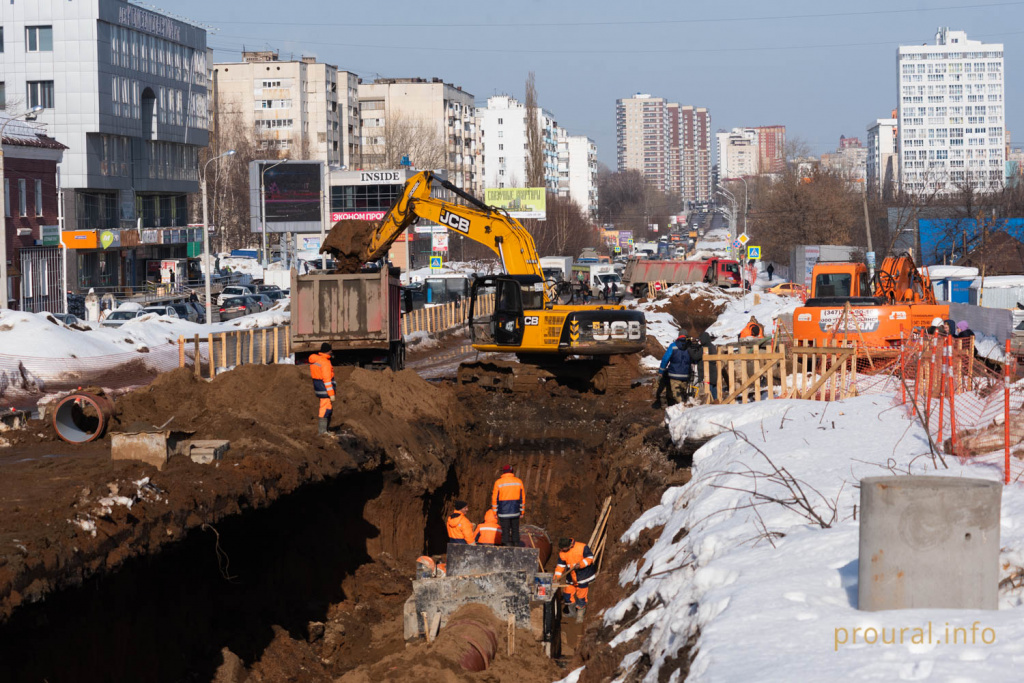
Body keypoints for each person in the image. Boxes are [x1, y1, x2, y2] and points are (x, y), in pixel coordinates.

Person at [554, 537, 596, 620]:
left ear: (569, 545)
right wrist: (556, 577)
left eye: (564, 548)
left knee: (581, 596)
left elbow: (590, 558)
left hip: (583, 576)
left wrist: (581, 564)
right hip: (571, 577)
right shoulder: (562, 553)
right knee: (567, 594)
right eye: (561, 549)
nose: (562, 550)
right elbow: (560, 566)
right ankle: (572, 613)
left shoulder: (582, 547)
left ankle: (580, 615)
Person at [654, 331, 693, 408]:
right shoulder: (690, 346)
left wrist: (661, 371)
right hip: (686, 375)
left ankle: (683, 408)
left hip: (674, 374)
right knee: (683, 393)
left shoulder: (673, 345)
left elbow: (665, 359)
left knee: (676, 393)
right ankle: (682, 405)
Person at [491, 465, 525, 547]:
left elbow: (495, 498)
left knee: (505, 529)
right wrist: (522, 511)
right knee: (515, 529)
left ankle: (506, 544)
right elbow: (522, 498)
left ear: (503, 472)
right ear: (512, 471)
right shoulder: (518, 481)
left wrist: (495, 512)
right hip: (515, 511)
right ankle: (516, 543)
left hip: (503, 512)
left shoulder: (498, 482)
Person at [309, 343, 336, 435]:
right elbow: (327, 380)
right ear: (328, 351)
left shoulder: (317, 360)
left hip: (319, 387)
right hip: (324, 388)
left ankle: (324, 430)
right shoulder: (325, 362)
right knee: (326, 408)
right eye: (330, 350)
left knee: (325, 407)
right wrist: (331, 394)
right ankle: (322, 432)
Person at [698, 332, 719, 401]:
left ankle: (710, 402)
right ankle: (716, 401)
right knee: (714, 390)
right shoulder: (712, 346)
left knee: (708, 391)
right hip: (713, 371)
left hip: (708, 372)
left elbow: (696, 356)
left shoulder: (705, 348)